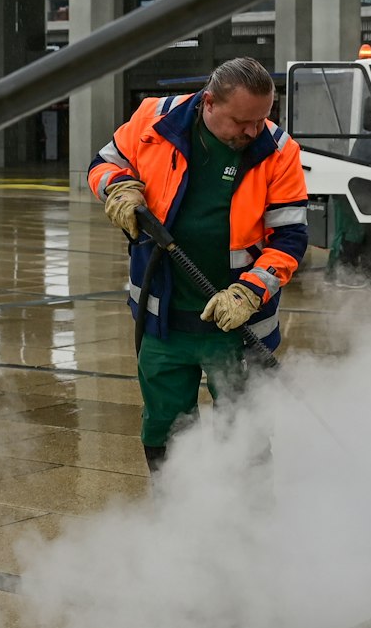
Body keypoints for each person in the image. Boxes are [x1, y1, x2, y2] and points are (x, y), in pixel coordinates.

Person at [87, 57, 308, 474]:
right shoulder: (155, 120)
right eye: (242, 121)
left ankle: (251, 525)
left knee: (245, 434)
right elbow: (102, 163)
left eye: (262, 118)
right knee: (164, 431)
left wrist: (250, 291)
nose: (253, 130)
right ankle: (176, 522)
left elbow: (291, 238)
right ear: (209, 103)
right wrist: (118, 187)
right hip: (163, 320)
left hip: (239, 325)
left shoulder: (278, 151)